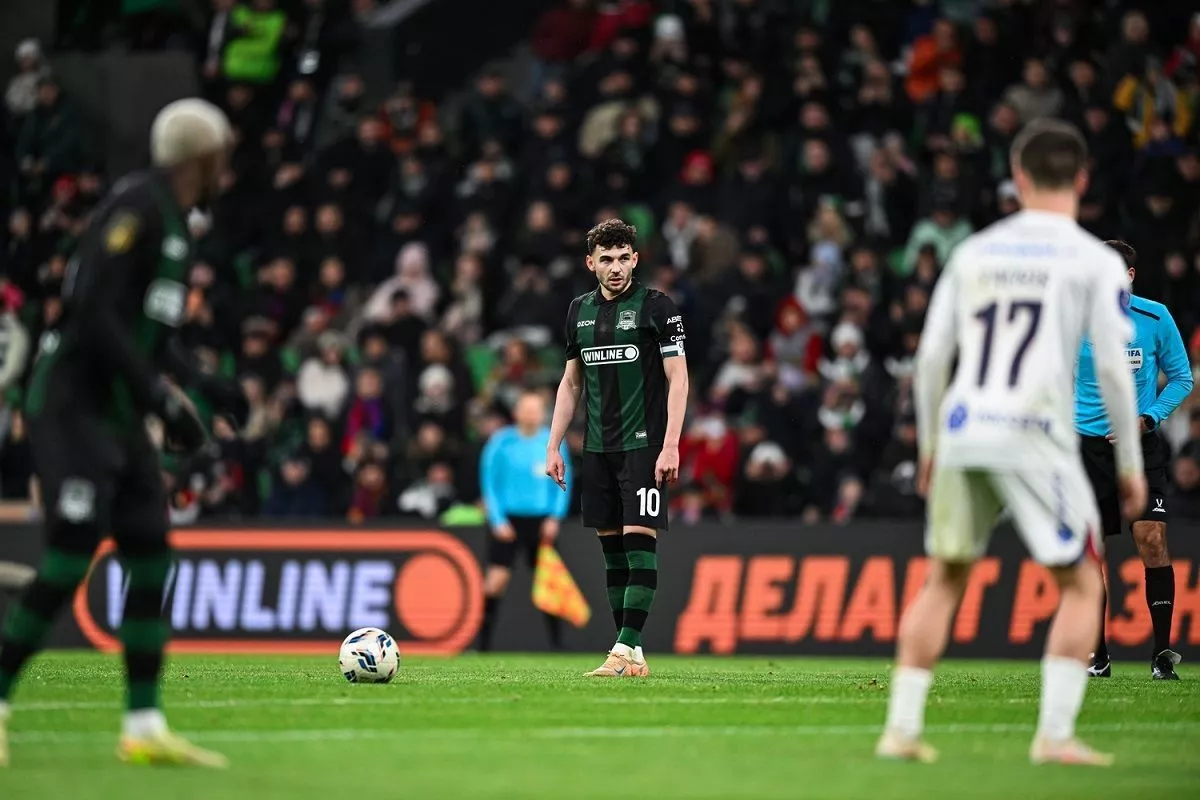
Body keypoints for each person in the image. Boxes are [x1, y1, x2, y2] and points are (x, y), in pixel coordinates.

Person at [877, 120, 1146, 766]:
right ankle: (1054, 736)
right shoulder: (1095, 260)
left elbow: (932, 357)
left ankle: (901, 731)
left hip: (965, 428)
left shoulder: (975, 251)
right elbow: (1114, 369)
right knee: (1081, 585)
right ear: (1082, 179)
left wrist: (929, 447)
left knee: (944, 580)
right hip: (1035, 433)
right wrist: (1131, 465)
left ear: (1018, 177)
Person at [0, 99, 249, 769]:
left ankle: (143, 725)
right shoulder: (136, 209)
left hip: (117, 409)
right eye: (221, 154)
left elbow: (152, 337)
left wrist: (204, 383)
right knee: (70, 552)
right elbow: (93, 315)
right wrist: (158, 398)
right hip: (71, 404)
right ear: (204, 157)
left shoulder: (177, 225)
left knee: (150, 553)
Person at [545, 219, 689, 678]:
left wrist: (671, 445)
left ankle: (622, 649)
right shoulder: (579, 311)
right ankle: (634, 655)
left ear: (635, 259)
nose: (616, 267)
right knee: (612, 554)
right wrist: (553, 445)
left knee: (639, 543)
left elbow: (678, 379)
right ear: (590, 263)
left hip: (644, 446)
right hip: (597, 448)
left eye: (624, 257)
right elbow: (571, 383)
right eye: (606, 259)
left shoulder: (657, 307)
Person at [1075, 240, 1192, 680]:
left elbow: (1181, 377)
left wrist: (1149, 418)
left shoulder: (1155, 317)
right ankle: (1098, 654)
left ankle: (1161, 654)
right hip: (1086, 448)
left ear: (1129, 276)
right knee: (1091, 552)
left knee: (1153, 540)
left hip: (1139, 446)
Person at [477, 391, 572, 651]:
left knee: (549, 584)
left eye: (535, 409)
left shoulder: (552, 442)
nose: (531, 414)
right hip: (508, 520)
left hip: (541, 522)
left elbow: (564, 482)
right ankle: (482, 644)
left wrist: (555, 517)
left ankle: (558, 646)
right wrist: (497, 520)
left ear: (543, 414)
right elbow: (489, 483)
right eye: (526, 409)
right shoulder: (500, 442)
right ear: (516, 412)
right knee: (495, 581)